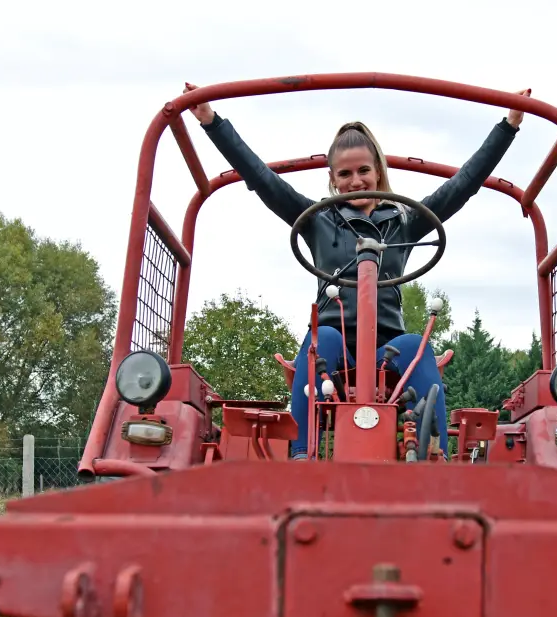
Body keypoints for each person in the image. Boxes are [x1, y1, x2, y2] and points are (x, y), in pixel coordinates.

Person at [182, 82, 528, 459]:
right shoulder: (316, 221)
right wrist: (212, 122)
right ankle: (301, 454)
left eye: (364, 170)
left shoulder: (403, 222)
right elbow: (262, 179)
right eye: (344, 174)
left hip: (388, 348)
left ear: (378, 172)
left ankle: (434, 456)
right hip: (335, 344)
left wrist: (508, 126)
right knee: (322, 340)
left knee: (417, 346)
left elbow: (461, 185)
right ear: (333, 179)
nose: (356, 180)